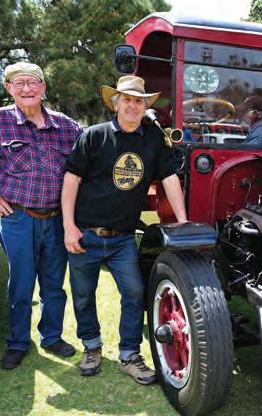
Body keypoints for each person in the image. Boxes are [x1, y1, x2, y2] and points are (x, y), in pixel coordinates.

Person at [0, 62, 82, 369]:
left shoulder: (66, 127)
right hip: (18, 218)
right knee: (21, 284)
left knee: (54, 283)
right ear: (9, 88)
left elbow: (90, 158)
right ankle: (19, 342)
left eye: (33, 82)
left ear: (43, 87)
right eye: (19, 83)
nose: (27, 89)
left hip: (57, 219)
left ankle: (52, 337)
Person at [62, 75, 187, 382]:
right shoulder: (94, 136)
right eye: (127, 100)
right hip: (86, 234)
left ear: (145, 107)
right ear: (116, 104)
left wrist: (183, 221)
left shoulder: (153, 139)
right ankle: (91, 347)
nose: (133, 106)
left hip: (123, 239)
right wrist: (69, 227)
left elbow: (170, 178)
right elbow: (71, 179)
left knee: (134, 293)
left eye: (139, 101)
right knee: (83, 295)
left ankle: (129, 355)